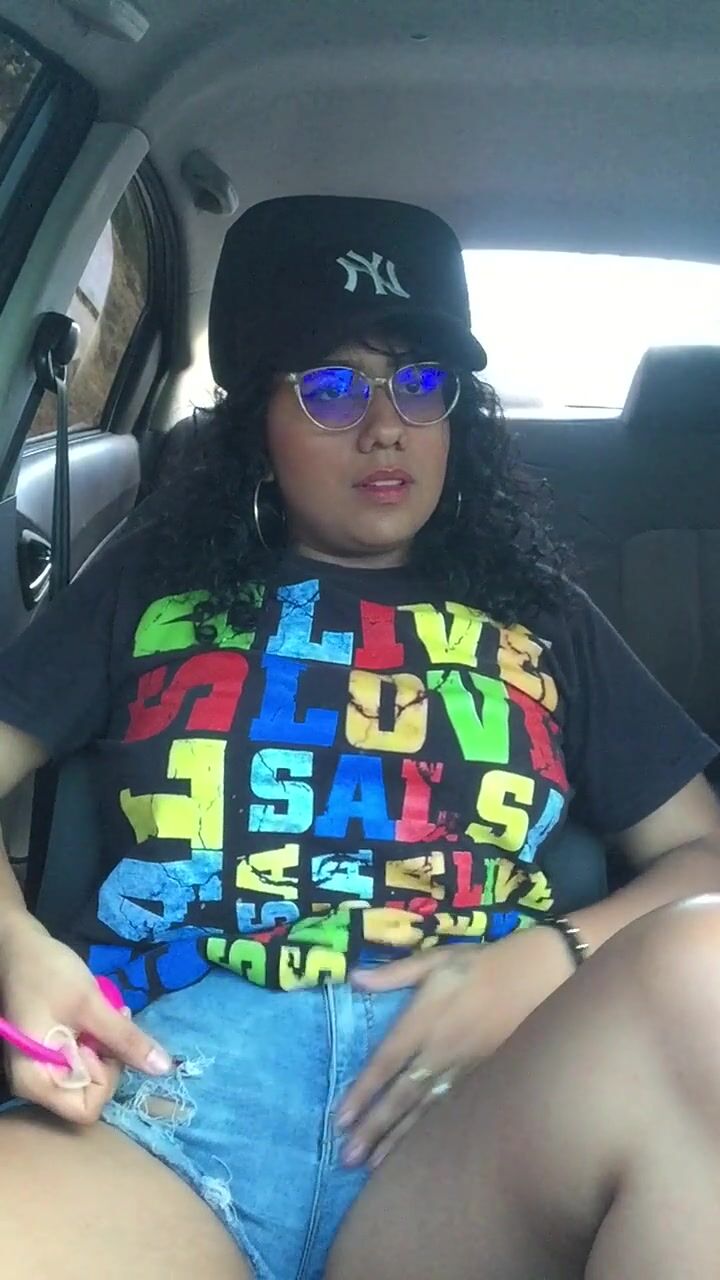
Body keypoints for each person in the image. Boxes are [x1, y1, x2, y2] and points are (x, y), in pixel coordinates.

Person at [0, 194, 719, 1280]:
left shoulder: (540, 613)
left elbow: (703, 854)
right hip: (174, 1095)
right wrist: (17, 947)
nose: (386, 425)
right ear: (255, 422)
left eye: (419, 382)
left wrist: (549, 957)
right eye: (332, 388)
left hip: (478, 1111)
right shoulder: (152, 584)